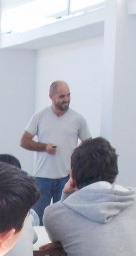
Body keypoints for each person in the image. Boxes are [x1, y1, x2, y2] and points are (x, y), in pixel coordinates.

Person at [20, 80, 91, 217]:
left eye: (68, 95)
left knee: (65, 217)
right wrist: (44, 147)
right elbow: (24, 141)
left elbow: (88, 144)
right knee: (37, 217)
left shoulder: (78, 119)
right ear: (51, 97)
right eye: (62, 96)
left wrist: (77, 159)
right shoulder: (40, 116)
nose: (67, 99)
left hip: (67, 177)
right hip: (42, 177)